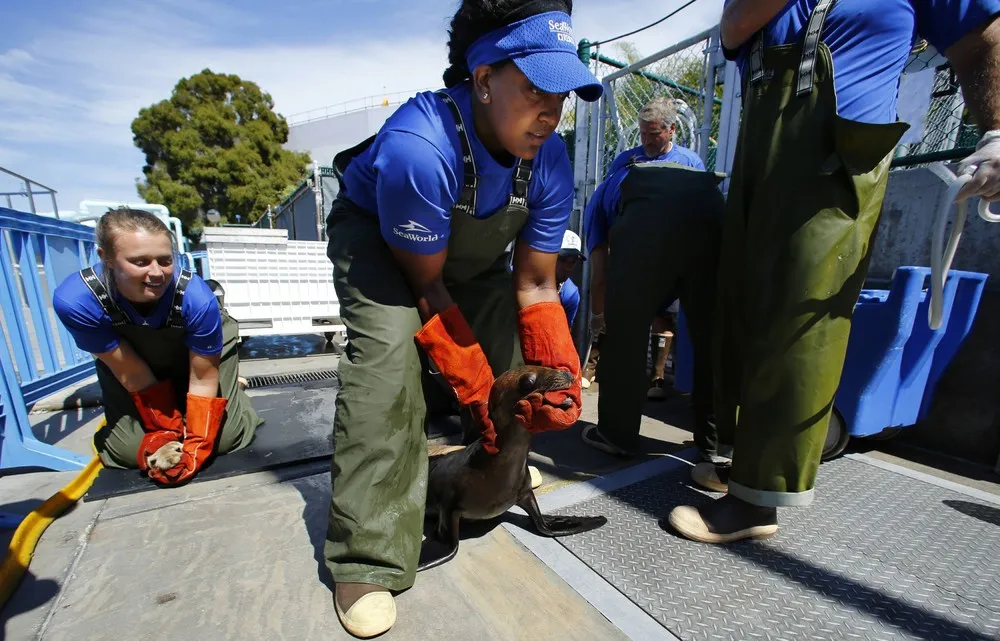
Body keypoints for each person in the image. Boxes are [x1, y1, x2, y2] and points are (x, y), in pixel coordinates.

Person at [667, 0, 1000, 545]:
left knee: (800, 320)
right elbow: (733, 28)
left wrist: (995, 130)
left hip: (838, 159)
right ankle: (741, 465)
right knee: (743, 310)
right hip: (765, 153)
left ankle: (755, 501)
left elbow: (981, 34)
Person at [323, 0, 602, 636]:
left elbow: (534, 282)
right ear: (482, 79)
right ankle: (366, 554)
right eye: (535, 88)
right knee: (388, 365)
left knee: (512, 344)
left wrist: (556, 375)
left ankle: (491, 468)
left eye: (563, 94)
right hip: (386, 249)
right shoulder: (420, 147)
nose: (552, 112)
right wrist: (482, 392)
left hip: (461, 253)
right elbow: (427, 289)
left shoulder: (549, 159)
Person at [52, 207, 261, 484]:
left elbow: (201, 378)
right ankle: (174, 412)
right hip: (133, 366)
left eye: (165, 261)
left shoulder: (196, 298)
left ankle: (237, 396)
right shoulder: (77, 300)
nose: (157, 273)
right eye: (140, 262)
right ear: (108, 259)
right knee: (127, 451)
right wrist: (164, 434)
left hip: (197, 360)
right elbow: (132, 373)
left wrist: (195, 447)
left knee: (225, 440)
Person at [579, 155, 726, 465]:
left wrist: (598, 318)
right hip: (711, 206)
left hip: (648, 218)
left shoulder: (604, 192)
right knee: (713, 333)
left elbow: (601, 272)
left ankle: (616, 435)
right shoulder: (691, 170)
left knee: (626, 334)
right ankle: (717, 443)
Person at [606, 96, 705, 175]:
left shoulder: (690, 163)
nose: (647, 141)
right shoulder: (624, 161)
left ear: (671, 129)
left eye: (654, 134)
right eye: (643, 134)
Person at [556, 229, 584, 327]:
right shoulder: (523, 278)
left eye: (573, 262)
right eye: (563, 260)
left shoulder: (570, 294)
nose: (568, 268)